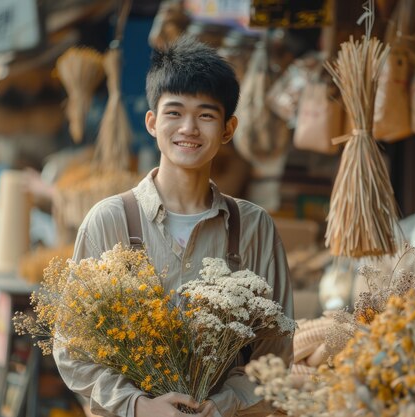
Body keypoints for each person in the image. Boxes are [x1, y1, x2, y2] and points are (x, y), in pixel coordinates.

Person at [53, 36, 294, 417]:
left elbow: (275, 351)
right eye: (174, 112)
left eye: (206, 115)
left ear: (228, 128)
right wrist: (138, 405)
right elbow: (71, 347)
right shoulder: (110, 220)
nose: (189, 128)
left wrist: (221, 404)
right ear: (151, 122)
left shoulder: (253, 227)